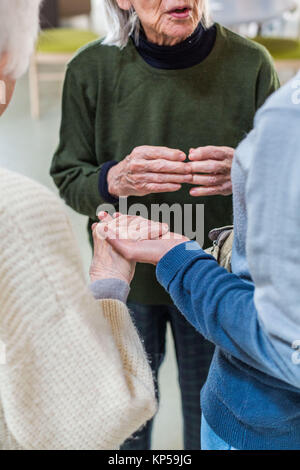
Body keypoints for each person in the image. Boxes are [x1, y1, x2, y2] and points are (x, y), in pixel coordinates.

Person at [50, 0, 280, 449]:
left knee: (211, 420)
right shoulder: (90, 68)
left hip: (213, 280)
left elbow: (284, 188)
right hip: (128, 284)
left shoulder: (252, 64)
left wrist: (248, 173)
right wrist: (112, 178)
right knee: (125, 428)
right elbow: (68, 176)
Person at [94, 70, 300, 450]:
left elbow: (283, 339)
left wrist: (173, 261)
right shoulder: (93, 69)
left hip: (260, 420)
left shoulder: (278, 104)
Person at [0, 0, 157, 450]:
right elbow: (99, 419)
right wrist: (108, 288)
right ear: (9, 58)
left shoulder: (249, 64)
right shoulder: (17, 215)